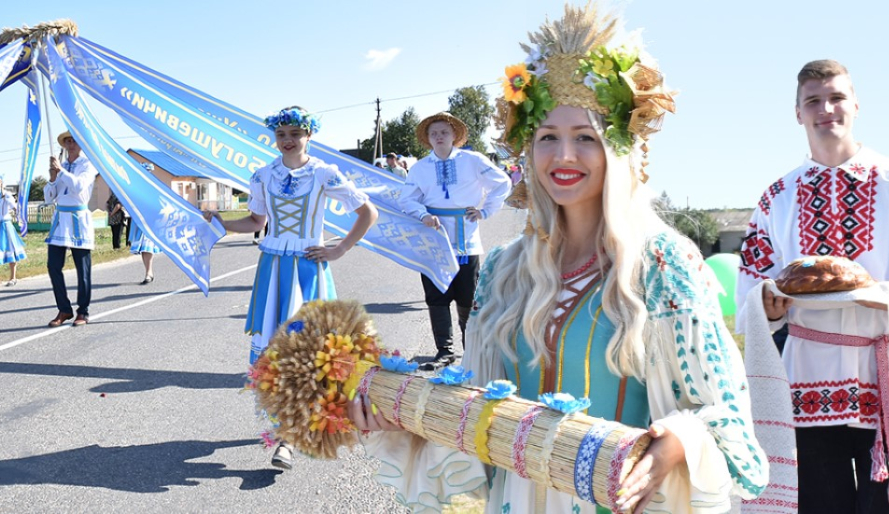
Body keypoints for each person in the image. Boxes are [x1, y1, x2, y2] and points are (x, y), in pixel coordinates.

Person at [353, 5, 774, 512]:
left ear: (619, 150)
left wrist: (679, 441)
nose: (564, 155)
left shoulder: (663, 264)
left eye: (585, 138)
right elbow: (478, 407)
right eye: (548, 137)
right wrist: (408, 413)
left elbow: (723, 411)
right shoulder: (507, 269)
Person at [736, 59, 889, 513]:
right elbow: (750, 288)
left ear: (856, 103)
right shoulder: (777, 197)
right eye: (813, 100)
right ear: (797, 113)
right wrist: (769, 305)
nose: (825, 109)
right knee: (818, 505)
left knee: (887, 507)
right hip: (806, 382)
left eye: (835, 97)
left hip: (885, 376)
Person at [203, 106, 379, 470]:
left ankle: (295, 430)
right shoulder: (263, 175)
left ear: (308, 136)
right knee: (275, 351)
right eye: (281, 134)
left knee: (309, 352)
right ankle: (285, 433)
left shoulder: (324, 173)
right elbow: (256, 221)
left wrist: (339, 248)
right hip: (273, 269)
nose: (287, 140)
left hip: (309, 268)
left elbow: (367, 213)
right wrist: (218, 220)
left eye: (295, 133)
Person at [397, 112, 512, 371]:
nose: (439, 137)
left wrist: (484, 211)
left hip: (466, 240)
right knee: (436, 297)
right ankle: (444, 351)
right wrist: (423, 214)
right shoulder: (419, 168)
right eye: (433, 133)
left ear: (454, 136)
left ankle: (471, 352)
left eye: (444, 132)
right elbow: (406, 199)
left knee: (467, 297)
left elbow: (502, 183)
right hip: (434, 241)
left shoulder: (472, 160)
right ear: (427, 139)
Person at [44, 131, 98, 327]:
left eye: (74, 140)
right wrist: (52, 178)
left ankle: (83, 311)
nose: (71, 144)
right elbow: (50, 197)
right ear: (64, 145)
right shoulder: (62, 166)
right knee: (53, 266)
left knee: (82, 269)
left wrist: (61, 172)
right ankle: (64, 309)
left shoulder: (87, 164)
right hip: (60, 220)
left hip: (78, 219)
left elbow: (78, 186)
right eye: (68, 141)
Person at [128, 218, 161, 285]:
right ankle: (148, 272)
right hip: (139, 219)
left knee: (147, 245)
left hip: (150, 219)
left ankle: (148, 273)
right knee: (143, 247)